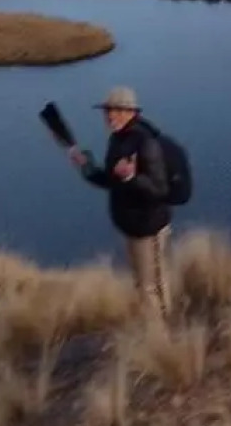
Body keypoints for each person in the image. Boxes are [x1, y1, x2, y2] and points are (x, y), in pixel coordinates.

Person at [68, 86, 173, 319]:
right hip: (133, 225)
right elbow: (112, 181)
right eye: (106, 111)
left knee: (148, 287)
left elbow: (159, 190)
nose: (109, 116)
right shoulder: (118, 139)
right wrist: (87, 166)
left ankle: (162, 340)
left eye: (115, 111)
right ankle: (165, 333)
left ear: (130, 112)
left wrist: (131, 177)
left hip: (149, 227)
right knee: (147, 283)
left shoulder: (146, 143)